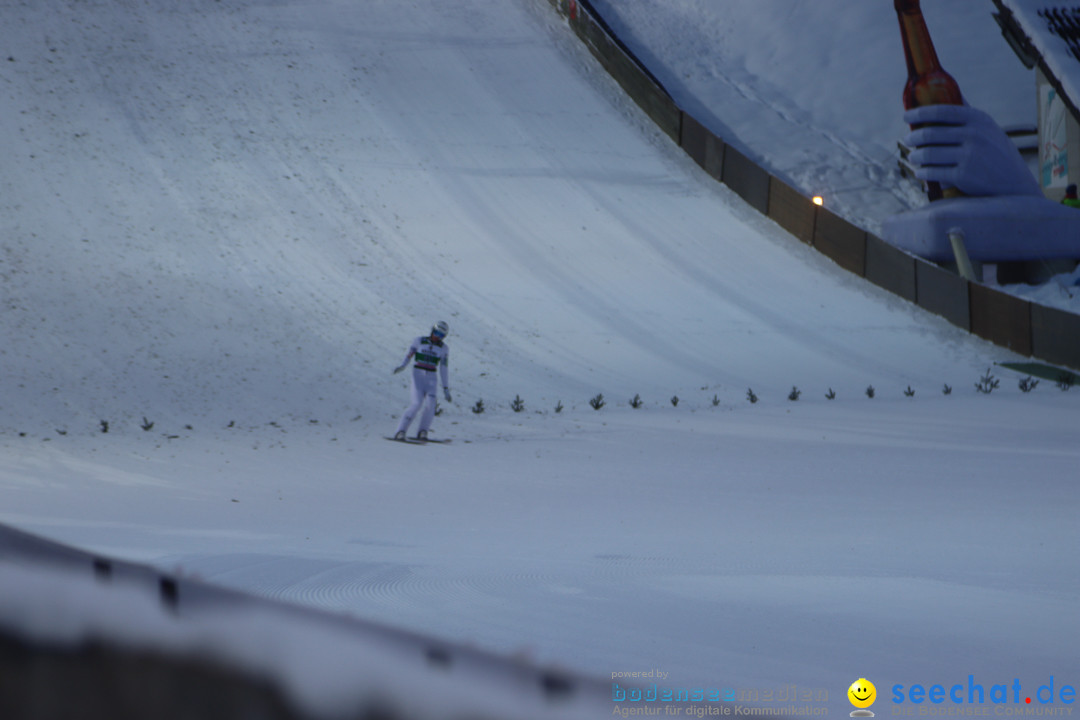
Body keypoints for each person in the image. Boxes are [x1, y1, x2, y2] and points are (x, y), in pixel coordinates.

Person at [392, 321, 452, 440]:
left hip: (432, 376)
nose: (437, 336)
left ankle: (423, 431)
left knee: (431, 405)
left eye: (440, 335)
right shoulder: (419, 340)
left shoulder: (444, 348)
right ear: (432, 330)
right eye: (436, 332)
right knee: (416, 403)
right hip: (418, 374)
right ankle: (401, 430)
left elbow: (444, 368)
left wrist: (446, 388)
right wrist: (403, 365)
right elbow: (409, 355)